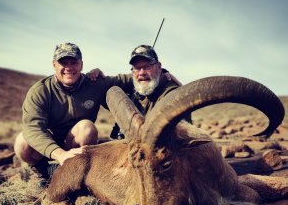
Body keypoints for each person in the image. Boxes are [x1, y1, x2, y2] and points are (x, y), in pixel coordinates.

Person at [14, 43, 133, 188]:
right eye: (63, 63)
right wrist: (60, 154)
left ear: (81, 65)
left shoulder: (94, 83)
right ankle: (45, 173)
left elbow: (130, 79)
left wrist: (161, 72)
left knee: (87, 128)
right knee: (22, 142)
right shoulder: (40, 91)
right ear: (54, 65)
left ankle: (80, 171)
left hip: (76, 141)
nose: (69, 68)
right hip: (50, 142)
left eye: (74, 62)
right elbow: (32, 128)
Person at [110, 44, 191, 139]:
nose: (142, 73)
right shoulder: (138, 89)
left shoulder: (172, 95)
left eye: (147, 67)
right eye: (137, 68)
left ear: (159, 67)